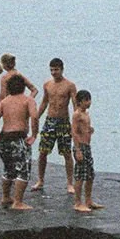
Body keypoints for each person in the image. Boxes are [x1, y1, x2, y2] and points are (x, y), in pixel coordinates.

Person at [32, 58, 78, 193]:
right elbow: (44, 102)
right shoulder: (47, 84)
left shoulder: (70, 85)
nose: (54, 72)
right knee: (43, 152)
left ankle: (70, 183)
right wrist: (36, 117)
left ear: (62, 69)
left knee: (67, 153)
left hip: (63, 122)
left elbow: (75, 106)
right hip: (50, 121)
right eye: (51, 70)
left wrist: (77, 124)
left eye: (56, 70)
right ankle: (40, 180)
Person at [0, 72, 36, 210]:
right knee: (24, 169)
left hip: (4, 138)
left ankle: (5, 197)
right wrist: (34, 134)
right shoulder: (28, 100)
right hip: (18, 138)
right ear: (23, 87)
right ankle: (18, 202)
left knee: (9, 168)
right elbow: (34, 117)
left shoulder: (5, 101)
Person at [70, 90, 102, 212]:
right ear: (79, 102)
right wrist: (77, 150)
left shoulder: (86, 114)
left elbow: (83, 128)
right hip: (80, 146)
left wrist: (89, 129)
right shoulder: (77, 114)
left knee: (89, 175)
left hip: (87, 146)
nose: (89, 103)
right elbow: (74, 131)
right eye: (86, 100)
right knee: (80, 175)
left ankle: (88, 200)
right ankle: (78, 202)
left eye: (89, 100)